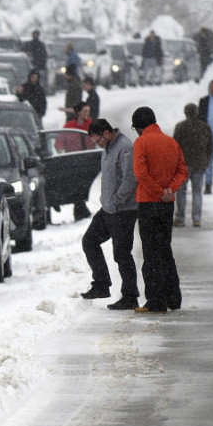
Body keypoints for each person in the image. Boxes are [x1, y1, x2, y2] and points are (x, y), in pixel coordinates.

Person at [131, 106, 188, 313]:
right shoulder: (172, 143)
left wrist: (157, 191)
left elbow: (141, 174)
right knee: (165, 250)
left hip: (148, 203)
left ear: (138, 127)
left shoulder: (141, 142)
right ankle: (174, 298)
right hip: (167, 204)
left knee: (151, 253)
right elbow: (183, 170)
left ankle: (156, 300)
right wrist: (169, 189)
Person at [80, 119, 140, 310]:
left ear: (106, 132)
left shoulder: (125, 147)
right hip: (108, 209)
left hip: (123, 210)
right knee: (89, 241)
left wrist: (116, 200)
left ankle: (130, 296)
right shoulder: (108, 148)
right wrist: (105, 200)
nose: (98, 145)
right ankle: (101, 285)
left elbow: (130, 179)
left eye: (98, 140)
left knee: (122, 254)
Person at [172, 103, 213, 227]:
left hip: (184, 164)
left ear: (185, 113)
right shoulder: (205, 127)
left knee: (181, 191)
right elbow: (209, 147)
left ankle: (180, 218)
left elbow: (175, 146)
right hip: (200, 163)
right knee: (197, 191)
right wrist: (206, 161)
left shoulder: (180, 127)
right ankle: (196, 218)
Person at [61, 102, 93, 221]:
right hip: (72, 161)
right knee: (75, 184)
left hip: (88, 160)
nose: (87, 114)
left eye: (88, 111)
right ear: (78, 112)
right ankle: (79, 207)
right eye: (85, 111)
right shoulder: (69, 126)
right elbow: (59, 141)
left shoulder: (91, 125)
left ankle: (80, 206)